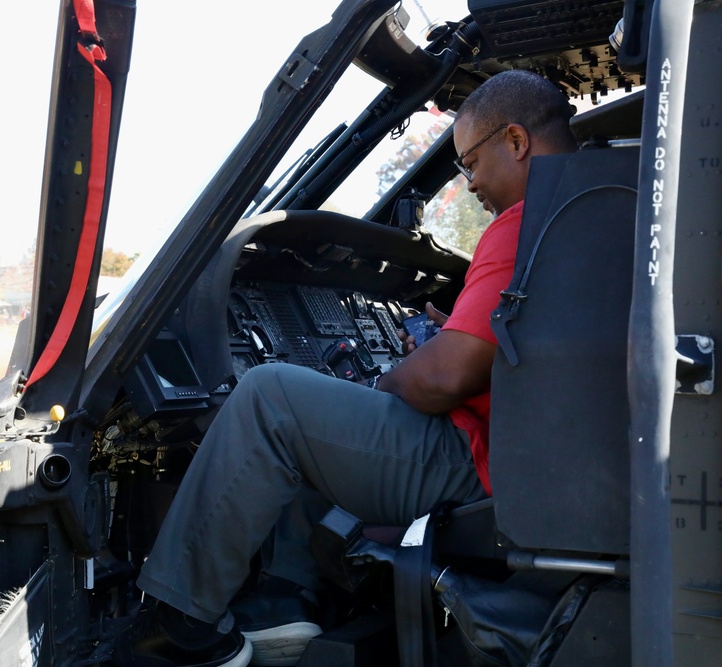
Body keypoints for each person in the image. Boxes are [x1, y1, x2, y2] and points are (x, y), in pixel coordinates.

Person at [115, 70, 578, 667]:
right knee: (319, 419)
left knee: (270, 397)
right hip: (544, 459)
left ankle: (177, 626)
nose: (469, 185)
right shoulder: (595, 208)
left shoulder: (528, 221)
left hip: (486, 462)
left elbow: (440, 380)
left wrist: (386, 382)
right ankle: (285, 603)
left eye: (470, 163)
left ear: (515, 140)